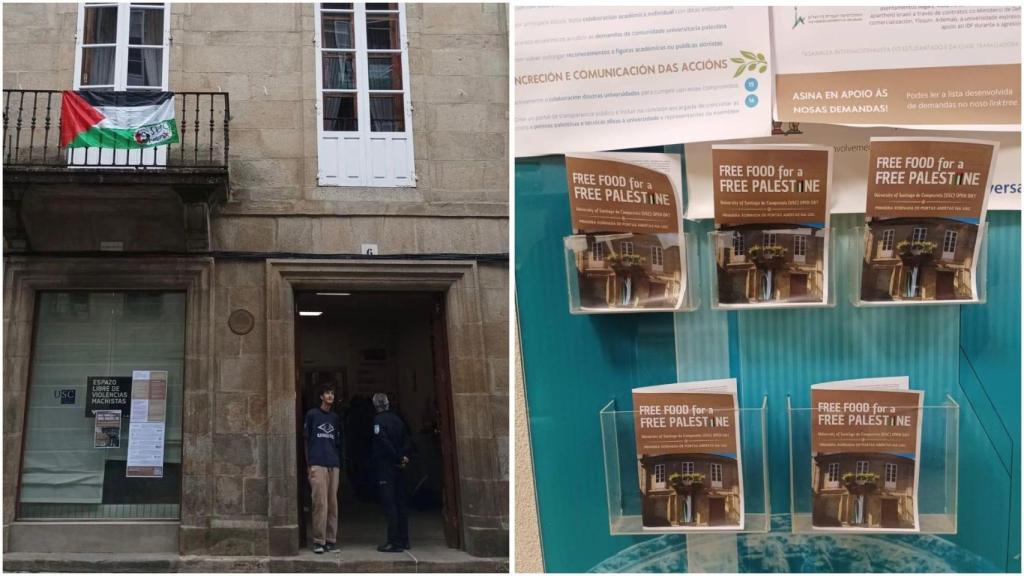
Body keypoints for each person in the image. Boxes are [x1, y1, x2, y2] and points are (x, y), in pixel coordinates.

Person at [304, 381, 343, 554]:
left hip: (333, 464)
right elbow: (306, 440)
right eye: (327, 393)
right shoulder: (312, 415)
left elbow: (338, 441)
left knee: (332, 503)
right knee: (320, 503)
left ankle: (331, 539)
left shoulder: (335, 418)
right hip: (317, 463)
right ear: (321, 396)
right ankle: (318, 540)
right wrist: (308, 464)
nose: (330, 396)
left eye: (332, 393)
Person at [371, 392, 412, 552]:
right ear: (388, 403)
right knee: (401, 502)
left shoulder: (378, 420)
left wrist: (395, 457)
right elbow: (407, 439)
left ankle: (394, 541)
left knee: (390, 505)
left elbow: (383, 440)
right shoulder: (398, 419)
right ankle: (404, 539)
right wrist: (403, 457)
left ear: (375, 405)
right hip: (400, 466)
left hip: (386, 466)